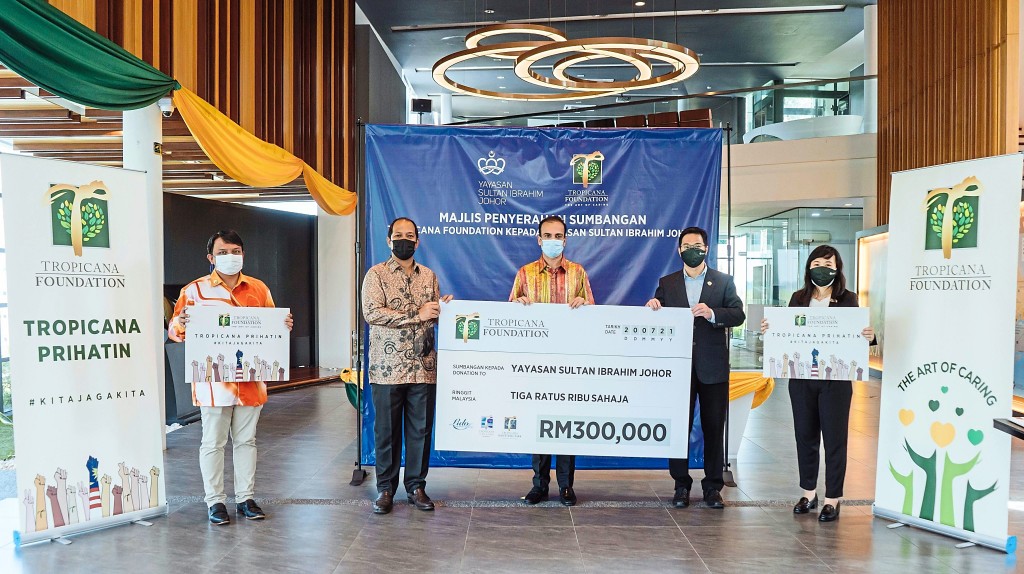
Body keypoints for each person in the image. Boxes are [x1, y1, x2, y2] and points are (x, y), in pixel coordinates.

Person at [168, 230, 293, 525]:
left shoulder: (259, 288)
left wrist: (283, 324)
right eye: (223, 252)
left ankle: (246, 498)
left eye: (235, 251)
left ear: (243, 254)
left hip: (251, 380)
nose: (230, 257)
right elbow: (174, 332)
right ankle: (215, 502)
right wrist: (180, 323)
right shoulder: (194, 291)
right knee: (212, 442)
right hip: (213, 382)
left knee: (246, 441)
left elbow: (273, 326)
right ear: (211, 257)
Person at [760, 244, 874, 522]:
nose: (822, 268)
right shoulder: (798, 298)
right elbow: (786, 332)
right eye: (817, 263)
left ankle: (833, 498)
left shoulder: (848, 299)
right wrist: (770, 330)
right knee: (805, 436)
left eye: (828, 264)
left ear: (837, 269)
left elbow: (858, 335)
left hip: (835, 380)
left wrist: (869, 336)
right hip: (801, 379)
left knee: (835, 439)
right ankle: (808, 492)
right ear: (809, 267)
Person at [646, 226, 745, 510]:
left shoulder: (723, 281)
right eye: (687, 245)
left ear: (706, 249)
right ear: (679, 250)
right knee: (679, 428)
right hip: (678, 368)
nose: (692, 249)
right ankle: (681, 485)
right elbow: (659, 311)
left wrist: (712, 313)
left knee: (714, 428)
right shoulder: (668, 282)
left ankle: (713, 487)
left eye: (697, 245)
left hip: (713, 367)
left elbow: (738, 314)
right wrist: (654, 305)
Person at [362, 217, 452, 515]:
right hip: (386, 368)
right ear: (389, 240)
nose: (404, 240)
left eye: (410, 235)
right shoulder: (375, 275)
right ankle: (385, 489)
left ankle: (416, 486)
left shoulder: (429, 276)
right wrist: (418, 312)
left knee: (420, 430)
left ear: (418, 241)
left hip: (423, 368)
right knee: (386, 431)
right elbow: (373, 313)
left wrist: (446, 309)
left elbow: (433, 316)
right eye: (398, 235)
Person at [510, 215, 595, 507]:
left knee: (566, 423)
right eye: (547, 235)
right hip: (536, 363)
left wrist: (585, 305)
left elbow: (595, 317)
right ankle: (539, 485)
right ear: (538, 239)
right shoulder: (525, 274)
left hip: (570, 362)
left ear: (565, 239)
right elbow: (508, 317)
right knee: (539, 424)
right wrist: (518, 307)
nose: (553, 240)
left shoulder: (578, 273)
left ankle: (566, 486)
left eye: (558, 235)